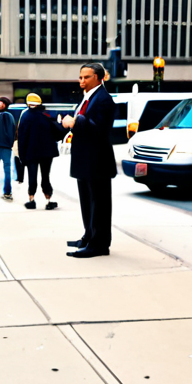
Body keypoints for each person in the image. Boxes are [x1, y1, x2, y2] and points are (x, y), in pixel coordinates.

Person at [62, 63, 117, 258]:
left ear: (98, 78)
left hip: (97, 161)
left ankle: (99, 245)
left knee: (99, 204)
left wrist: (75, 121)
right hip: (85, 160)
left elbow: (99, 129)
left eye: (86, 77)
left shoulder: (103, 100)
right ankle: (89, 237)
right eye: (80, 77)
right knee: (87, 202)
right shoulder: (87, 98)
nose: (82, 81)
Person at [18, 93, 64, 210]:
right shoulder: (46, 115)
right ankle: (48, 200)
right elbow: (58, 132)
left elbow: (22, 137)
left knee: (32, 176)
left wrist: (22, 156)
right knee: (45, 176)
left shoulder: (25, 116)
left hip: (31, 152)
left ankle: (31, 199)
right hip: (47, 152)